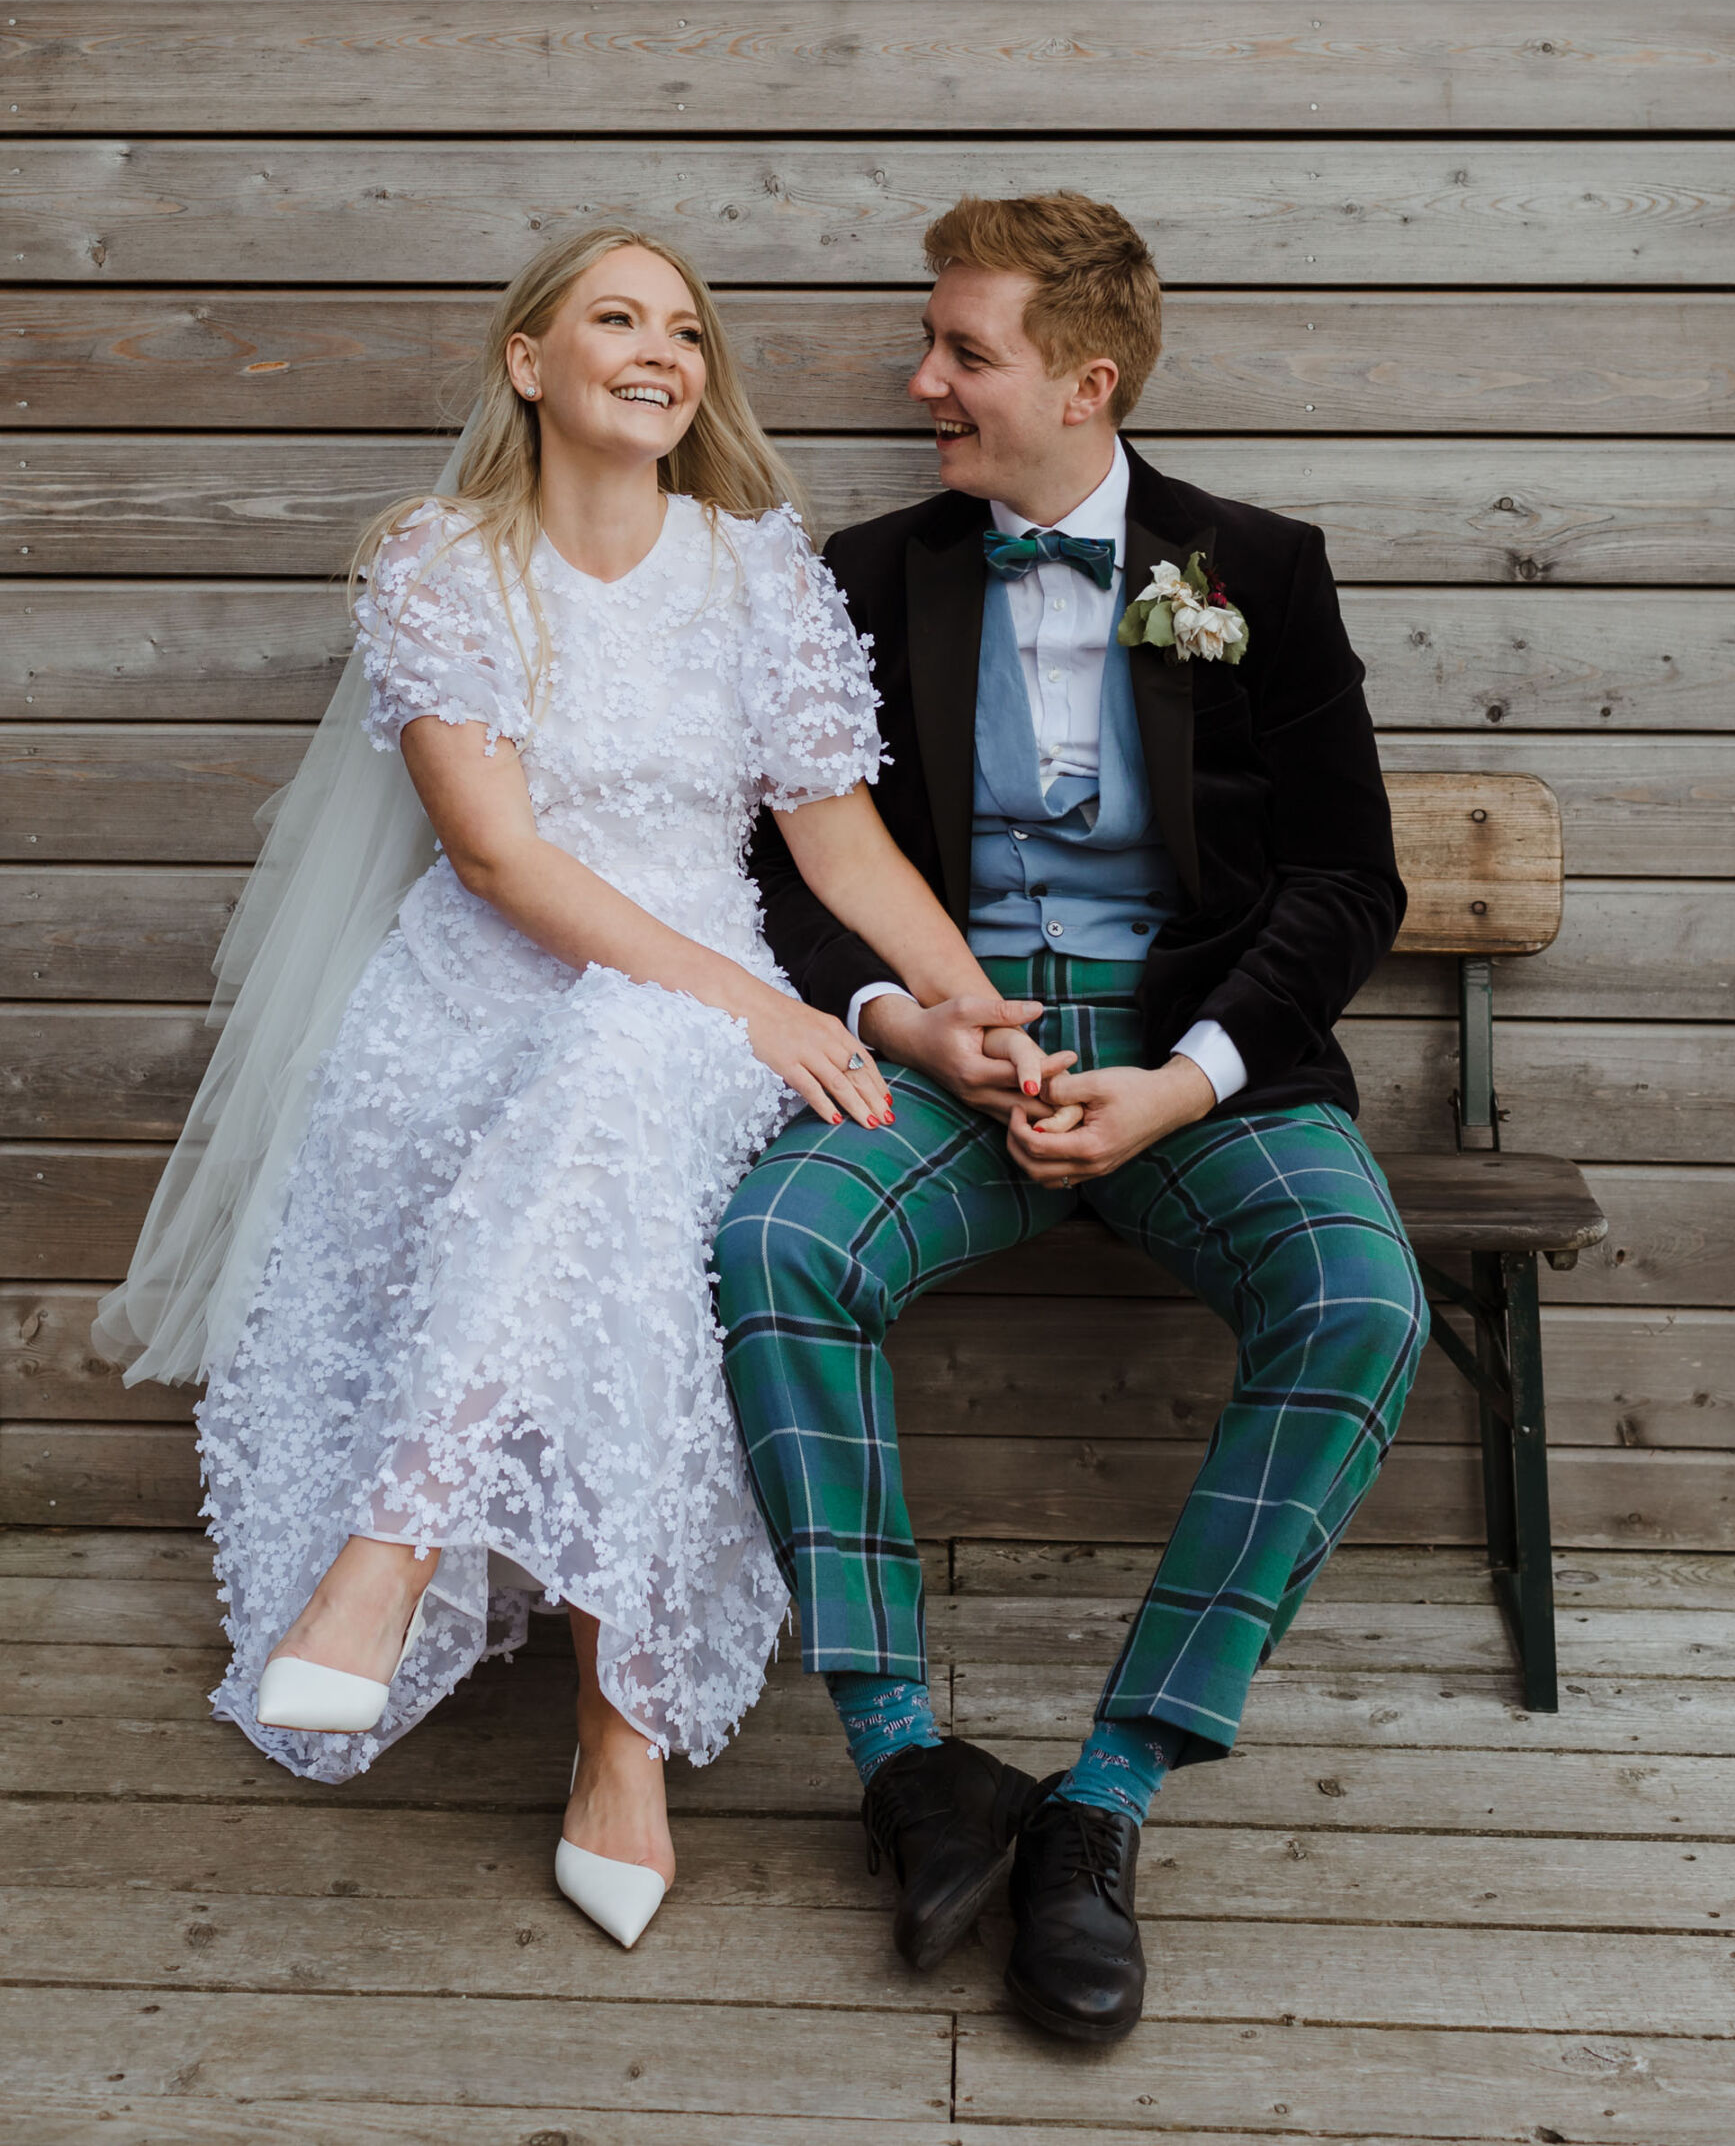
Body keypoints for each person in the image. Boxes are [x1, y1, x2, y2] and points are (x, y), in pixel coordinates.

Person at [95, 225, 1042, 1952]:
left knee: (625, 1080)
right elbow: (504, 864)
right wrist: (760, 1012)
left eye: (685, 328)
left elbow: (838, 841)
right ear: (528, 362)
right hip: (480, 1001)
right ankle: (622, 1747)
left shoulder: (754, 568)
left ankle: (389, 1558)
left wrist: (974, 1014)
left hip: (690, 1010)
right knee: (623, 1150)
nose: (661, 349)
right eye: (616, 317)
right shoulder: (437, 562)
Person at [714, 191, 1429, 2042]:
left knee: (1363, 1303)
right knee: (775, 1242)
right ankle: (906, 1765)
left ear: (1086, 382)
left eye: (964, 351)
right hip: (956, 1055)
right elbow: (784, 872)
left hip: (1203, 1067)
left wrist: (1182, 1077)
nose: (921, 379)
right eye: (930, 344)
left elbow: (1349, 885)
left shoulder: (1254, 569)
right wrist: (902, 1019)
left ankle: (1104, 1800)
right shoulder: (861, 574)